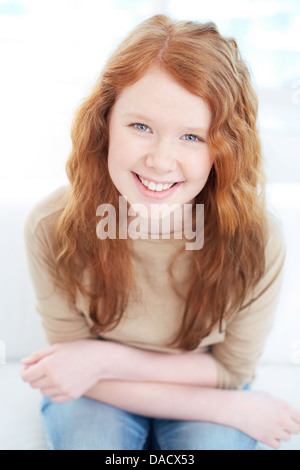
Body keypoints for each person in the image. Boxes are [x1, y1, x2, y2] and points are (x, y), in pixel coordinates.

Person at [21, 14, 300, 451]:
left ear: (224, 149)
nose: (160, 160)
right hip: (100, 393)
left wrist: (104, 358)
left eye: (192, 136)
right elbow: (68, 369)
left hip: (158, 380)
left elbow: (230, 369)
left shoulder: (257, 238)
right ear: (105, 123)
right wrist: (227, 409)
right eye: (141, 127)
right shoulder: (52, 225)